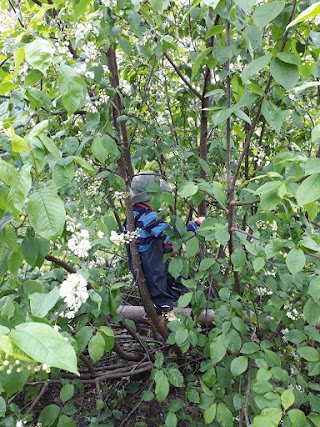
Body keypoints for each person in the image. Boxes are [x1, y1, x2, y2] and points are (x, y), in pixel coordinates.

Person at [126, 171, 204, 323]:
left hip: (145, 269)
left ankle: (160, 321)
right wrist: (196, 225)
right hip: (153, 271)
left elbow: (154, 241)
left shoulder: (133, 214)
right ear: (150, 196)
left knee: (173, 286)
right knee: (163, 302)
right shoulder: (149, 217)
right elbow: (173, 237)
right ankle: (168, 330)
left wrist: (166, 248)